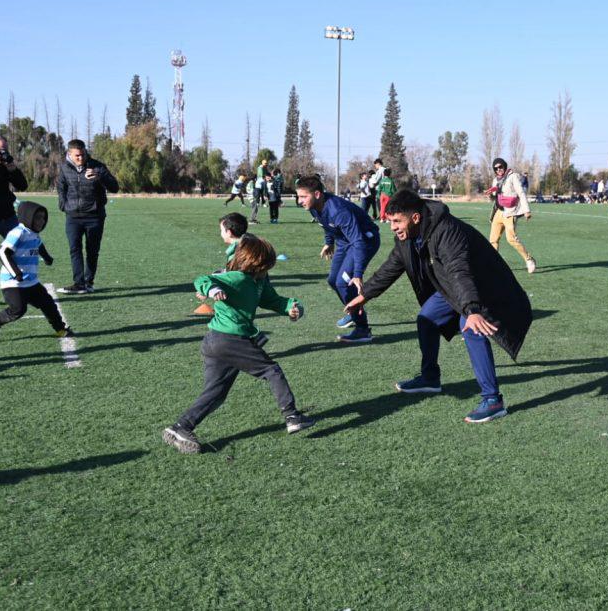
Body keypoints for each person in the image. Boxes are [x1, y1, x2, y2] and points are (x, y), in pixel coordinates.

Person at [347, 189, 533, 423]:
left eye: (397, 221)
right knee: (427, 319)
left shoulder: (447, 230)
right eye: (390, 221)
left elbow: (459, 271)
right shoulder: (407, 236)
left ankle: (493, 400)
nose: (392, 227)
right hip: (453, 287)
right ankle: (430, 378)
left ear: (415, 218)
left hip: (483, 286)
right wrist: (365, 295)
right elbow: (392, 265)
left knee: (471, 328)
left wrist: (472, 310)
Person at [163, 234, 314, 453]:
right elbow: (202, 280)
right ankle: (292, 416)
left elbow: (272, 299)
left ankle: (180, 427)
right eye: (265, 267)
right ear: (255, 264)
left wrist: (292, 306)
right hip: (230, 340)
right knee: (271, 371)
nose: (267, 271)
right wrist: (212, 290)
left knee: (216, 392)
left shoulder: (259, 280)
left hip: (216, 342)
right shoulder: (237, 278)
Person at [296, 175, 380, 343]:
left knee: (343, 283)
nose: (300, 201)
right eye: (299, 196)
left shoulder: (338, 210)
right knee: (333, 280)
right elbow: (325, 224)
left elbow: (358, 241)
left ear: (317, 194)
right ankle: (353, 310)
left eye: (303, 196)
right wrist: (329, 243)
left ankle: (363, 329)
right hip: (344, 241)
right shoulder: (314, 206)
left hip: (365, 240)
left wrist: (357, 274)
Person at [0, 201, 72, 341]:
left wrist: (47, 257)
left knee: (48, 303)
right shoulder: (18, 232)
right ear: (27, 217)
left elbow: (39, 245)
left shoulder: (34, 233)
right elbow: (3, 251)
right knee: (18, 310)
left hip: (31, 281)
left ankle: (60, 329)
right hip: (12, 282)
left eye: (43, 218)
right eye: (37, 218)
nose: (41, 221)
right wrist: (16, 273)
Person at [56, 139, 119, 294]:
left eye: (83, 154)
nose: (81, 158)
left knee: (92, 251)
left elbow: (115, 187)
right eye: (77, 155)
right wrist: (64, 205)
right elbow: (61, 187)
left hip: (94, 216)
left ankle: (89, 282)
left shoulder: (98, 166)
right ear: (69, 154)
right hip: (73, 216)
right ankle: (79, 284)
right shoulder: (64, 167)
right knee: (75, 249)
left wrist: (100, 177)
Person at [487, 157, 536, 274]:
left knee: (511, 239)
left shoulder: (512, 177)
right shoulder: (495, 180)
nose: (498, 170)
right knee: (493, 240)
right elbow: (495, 197)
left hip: (510, 212)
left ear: (504, 166)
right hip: (498, 212)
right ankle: (494, 264)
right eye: (496, 168)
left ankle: (529, 259)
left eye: (500, 167)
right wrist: (490, 195)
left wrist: (526, 210)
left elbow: (521, 193)